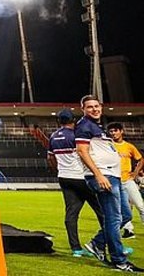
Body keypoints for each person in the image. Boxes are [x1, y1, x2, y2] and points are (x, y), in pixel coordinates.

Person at [76, 94, 143, 272]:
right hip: (104, 176)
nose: (94, 109)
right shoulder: (84, 126)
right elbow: (82, 151)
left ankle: (97, 243)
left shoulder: (96, 126)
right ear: (83, 109)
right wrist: (98, 175)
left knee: (126, 216)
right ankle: (119, 260)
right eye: (90, 107)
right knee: (113, 219)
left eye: (96, 106)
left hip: (114, 176)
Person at [48, 109, 104, 257]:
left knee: (71, 213)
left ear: (59, 121)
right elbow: (85, 154)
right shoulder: (77, 134)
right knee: (103, 211)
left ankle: (76, 249)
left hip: (64, 178)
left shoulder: (53, 136)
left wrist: (58, 171)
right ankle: (106, 243)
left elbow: (50, 159)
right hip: (81, 177)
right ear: (74, 120)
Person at [108, 122, 144, 238]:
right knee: (122, 208)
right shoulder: (108, 146)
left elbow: (140, 159)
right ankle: (129, 230)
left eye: (115, 130)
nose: (113, 133)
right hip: (115, 181)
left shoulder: (129, 146)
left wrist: (135, 173)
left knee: (140, 205)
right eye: (111, 131)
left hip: (128, 180)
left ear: (121, 131)